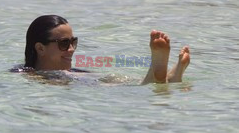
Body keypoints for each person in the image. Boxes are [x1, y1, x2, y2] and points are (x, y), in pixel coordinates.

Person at [23, 15, 190, 84]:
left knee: (120, 82)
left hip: (74, 78)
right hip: (64, 79)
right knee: (121, 84)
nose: (72, 49)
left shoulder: (25, 74)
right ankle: (160, 74)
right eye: (64, 44)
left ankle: (161, 75)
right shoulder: (29, 75)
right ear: (40, 48)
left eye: (74, 42)